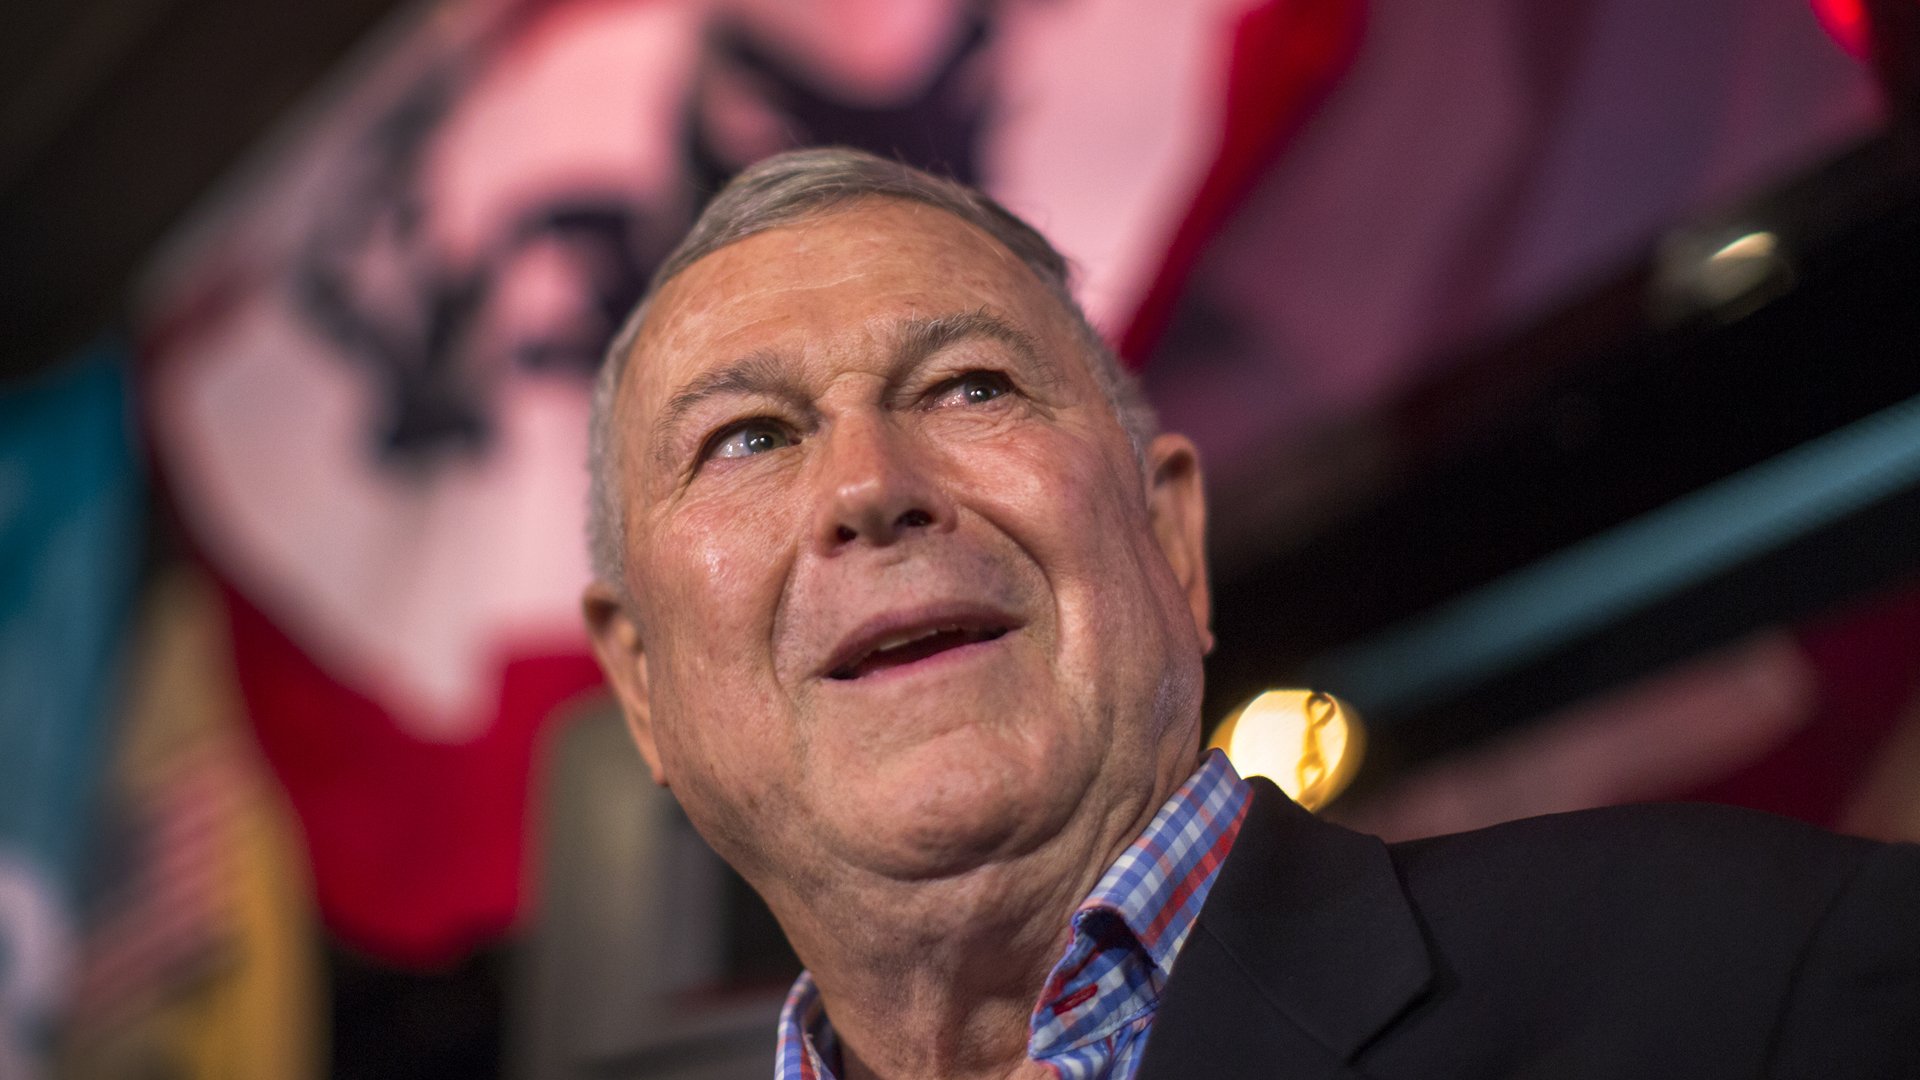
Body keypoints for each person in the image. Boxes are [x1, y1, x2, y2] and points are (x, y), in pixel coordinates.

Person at [581, 147, 1920, 1080]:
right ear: (639, 684)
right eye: (747, 439)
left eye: (970, 387)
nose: (871, 487)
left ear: (1172, 536)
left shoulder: (1757, 979)